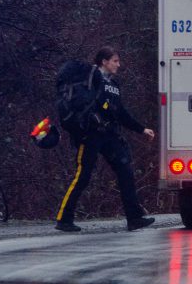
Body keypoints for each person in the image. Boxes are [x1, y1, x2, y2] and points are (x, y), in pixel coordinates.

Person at [55, 46, 156, 232]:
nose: (119, 64)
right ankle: (64, 219)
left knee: (125, 172)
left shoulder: (114, 85)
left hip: (110, 135)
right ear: (104, 61)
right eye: (115, 61)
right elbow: (88, 104)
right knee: (83, 175)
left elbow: (121, 113)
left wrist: (142, 129)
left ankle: (134, 218)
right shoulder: (93, 78)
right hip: (91, 135)